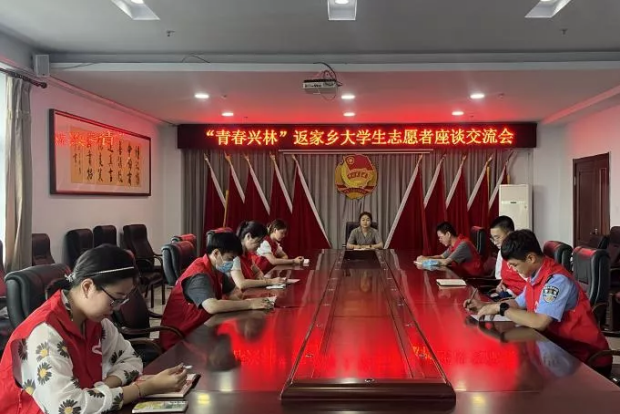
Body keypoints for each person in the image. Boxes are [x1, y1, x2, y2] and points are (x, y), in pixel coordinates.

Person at [0, 245, 188, 414]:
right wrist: (144, 388)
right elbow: (68, 407)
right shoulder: (45, 332)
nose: (117, 308)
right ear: (88, 286)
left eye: (122, 301)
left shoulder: (95, 320)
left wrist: (102, 390)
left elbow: (131, 359)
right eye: (115, 299)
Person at [464, 230, 611, 376]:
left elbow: (539, 322)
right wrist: (486, 306)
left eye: (515, 265)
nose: (513, 270)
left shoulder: (556, 281)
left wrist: (501, 308)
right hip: (556, 349)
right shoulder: (536, 274)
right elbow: (518, 303)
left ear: (530, 258)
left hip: (585, 359)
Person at [160, 231, 274, 350]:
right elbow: (212, 306)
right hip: (180, 341)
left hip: (202, 329)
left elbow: (234, 291)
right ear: (216, 253)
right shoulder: (199, 274)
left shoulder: (215, 269)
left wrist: (239, 301)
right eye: (230, 258)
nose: (231, 263)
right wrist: (249, 304)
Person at [229, 221, 287, 289]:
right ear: (248, 236)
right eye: (258, 242)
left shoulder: (247, 254)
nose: (259, 246)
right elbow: (241, 284)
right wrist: (270, 282)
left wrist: (259, 275)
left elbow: (258, 271)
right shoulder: (234, 256)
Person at [416, 221, 484, 278]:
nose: (440, 240)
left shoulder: (463, 244)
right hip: (463, 276)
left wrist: (425, 261)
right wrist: (425, 257)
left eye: (440, 237)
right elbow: (441, 256)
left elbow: (445, 262)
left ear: (448, 234)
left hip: (473, 280)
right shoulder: (454, 244)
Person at [489, 215, 526, 296]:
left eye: (497, 238)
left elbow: (532, 285)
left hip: (520, 298)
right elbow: (500, 278)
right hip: (506, 294)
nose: (495, 243)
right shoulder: (500, 253)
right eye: (493, 239)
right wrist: (501, 285)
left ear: (510, 234)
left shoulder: (522, 254)